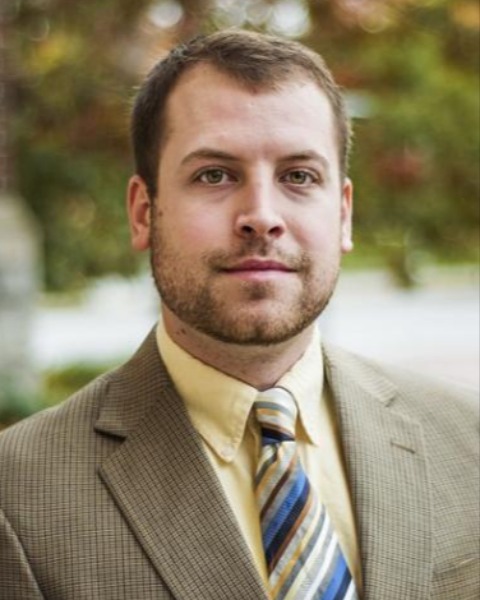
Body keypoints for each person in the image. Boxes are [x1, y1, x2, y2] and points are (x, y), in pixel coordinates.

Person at [0, 29, 478, 600]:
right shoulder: (17, 497)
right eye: (215, 175)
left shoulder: (467, 440)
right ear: (144, 213)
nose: (261, 215)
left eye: (298, 176)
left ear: (343, 214)